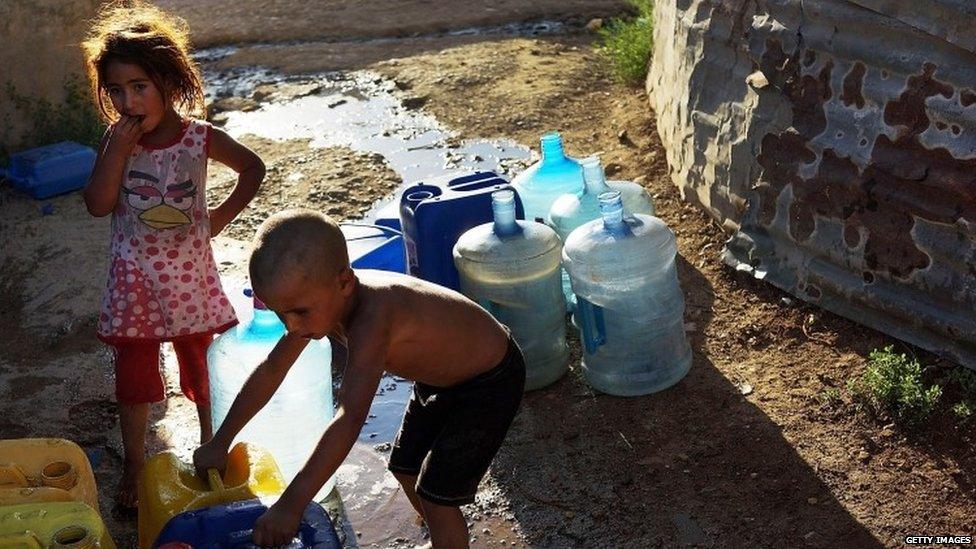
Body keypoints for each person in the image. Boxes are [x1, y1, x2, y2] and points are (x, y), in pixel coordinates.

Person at [194, 210, 525, 547]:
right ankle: (445, 537)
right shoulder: (321, 298)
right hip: (443, 378)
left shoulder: (373, 320)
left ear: (344, 282)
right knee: (405, 468)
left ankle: (447, 532)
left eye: (298, 313)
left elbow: (349, 417)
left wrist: (291, 504)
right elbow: (272, 369)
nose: (291, 326)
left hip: (489, 379)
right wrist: (221, 441)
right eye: (282, 313)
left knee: (439, 497)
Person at [81, 1, 265, 508]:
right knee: (134, 374)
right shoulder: (117, 142)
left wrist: (221, 218)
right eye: (116, 91)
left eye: (139, 86)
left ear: (167, 82)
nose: (127, 101)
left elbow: (253, 168)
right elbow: (98, 205)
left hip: (189, 278)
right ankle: (136, 463)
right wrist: (117, 151)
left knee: (203, 366)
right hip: (134, 276)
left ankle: (213, 447)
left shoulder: (199, 139)